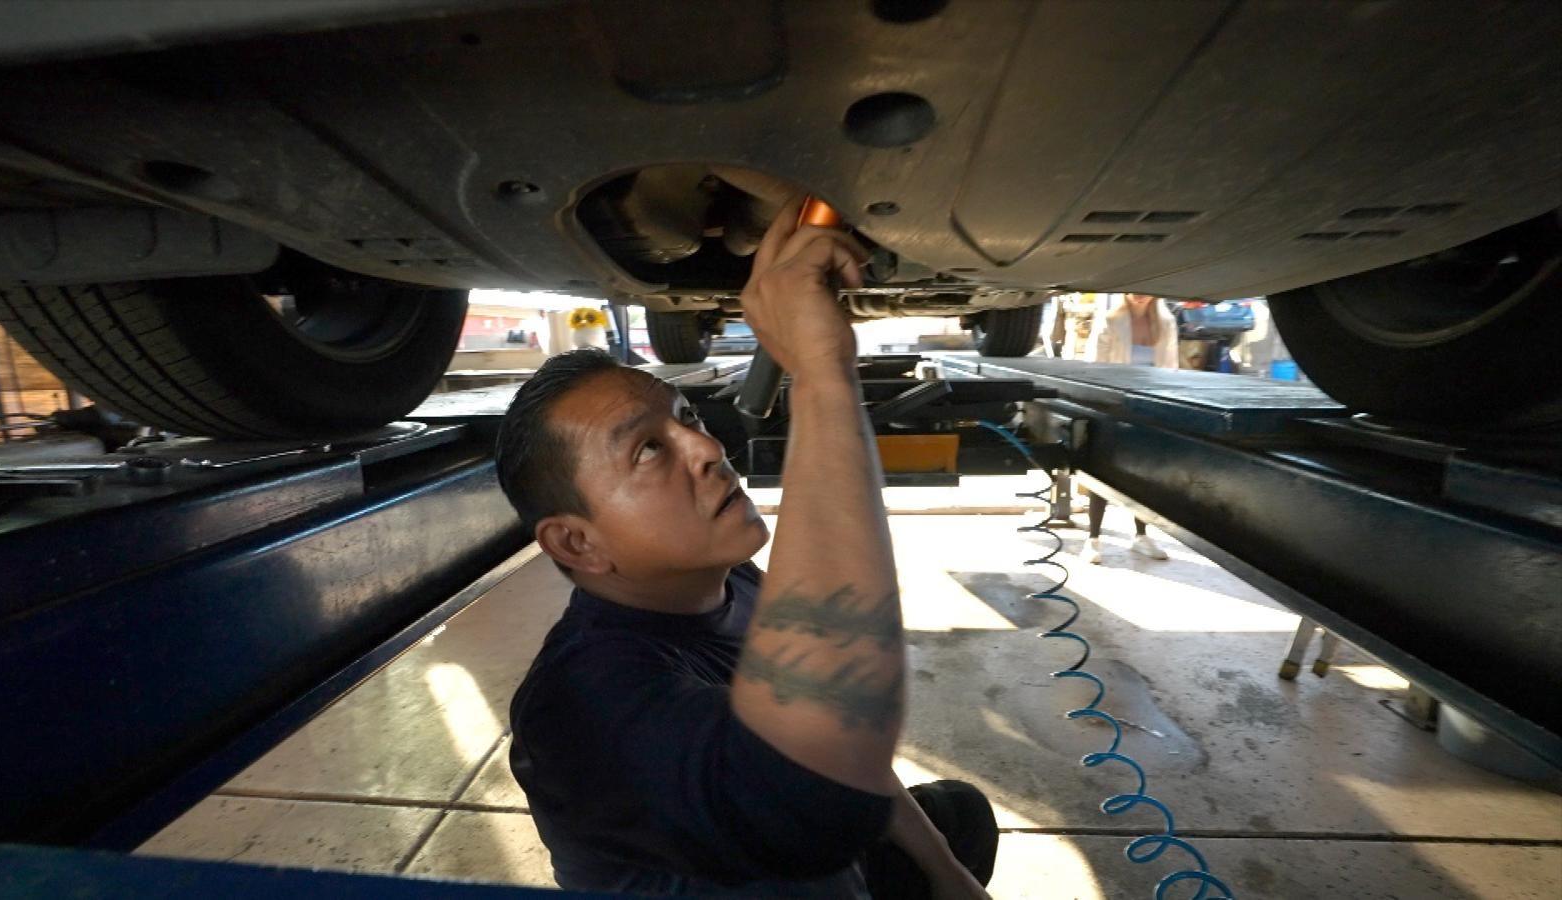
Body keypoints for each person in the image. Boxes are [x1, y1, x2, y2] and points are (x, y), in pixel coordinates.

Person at [497, 197, 997, 898]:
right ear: (577, 541)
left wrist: (951, 880)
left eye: (688, 419)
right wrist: (824, 375)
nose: (708, 448)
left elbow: (855, 761)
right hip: (788, 841)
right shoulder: (575, 707)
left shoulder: (739, 586)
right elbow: (808, 795)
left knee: (957, 819)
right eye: (647, 450)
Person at [1078, 293, 1178, 564]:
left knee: (1143, 475)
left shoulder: (1166, 322)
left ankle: (1141, 536)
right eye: (1135, 291)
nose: (1140, 296)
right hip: (1113, 405)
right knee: (1103, 472)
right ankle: (1093, 539)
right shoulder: (1111, 320)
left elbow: (1171, 368)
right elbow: (1094, 367)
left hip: (1148, 408)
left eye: (1146, 291)